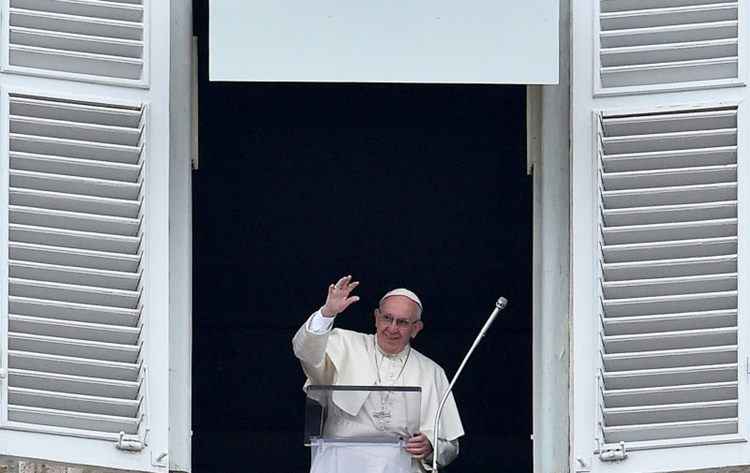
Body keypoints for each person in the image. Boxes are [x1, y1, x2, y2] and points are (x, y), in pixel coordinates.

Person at [293, 275, 464, 472]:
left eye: (402, 322)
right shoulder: (345, 343)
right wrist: (327, 313)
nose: (392, 328)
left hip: (399, 466)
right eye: (387, 318)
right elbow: (305, 352)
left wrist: (431, 447)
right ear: (376, 317)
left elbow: (450, 446)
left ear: (416, 328)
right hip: (339, 462)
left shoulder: (431, 372)